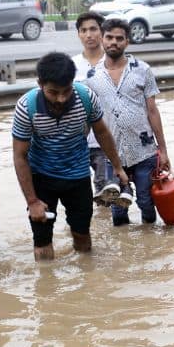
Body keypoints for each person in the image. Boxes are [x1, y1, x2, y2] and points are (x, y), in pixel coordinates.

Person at [12, 52, 127, 260]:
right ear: (40, 84)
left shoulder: (85, 98)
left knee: (82, 235)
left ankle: (86, 281)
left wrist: (117, 167)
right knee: (42, 241)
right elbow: (20, 156)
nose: (61, 98)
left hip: (78, 177)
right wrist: (32, 201)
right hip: (41, 178)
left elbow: (102, 132)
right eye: (53, 92)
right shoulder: (26, 107)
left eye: (66, 91)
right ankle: (47, 288)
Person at [86, 19, 171, 226]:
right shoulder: (92, 76)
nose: (114, 42)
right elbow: (89, 118)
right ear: (102, 39)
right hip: (111, 154)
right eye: (109, 37)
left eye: (119, 38)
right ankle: (125, 251)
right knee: (117, 208)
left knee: (146, 202)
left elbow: (152, 111)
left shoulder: (142, 70)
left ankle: (150, 247)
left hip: (144, 151)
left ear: (127, 42)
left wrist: (164, 150)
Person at [71, 11, 120, 210]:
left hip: (106, 139)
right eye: (83, 30)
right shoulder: (71, 64)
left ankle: (108, 232)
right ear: (79, 34)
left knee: (106, 192)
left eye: (93, 29)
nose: (89, 35)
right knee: (78, 193)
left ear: (102, 33)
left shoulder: (113, 62)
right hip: (77, 141)